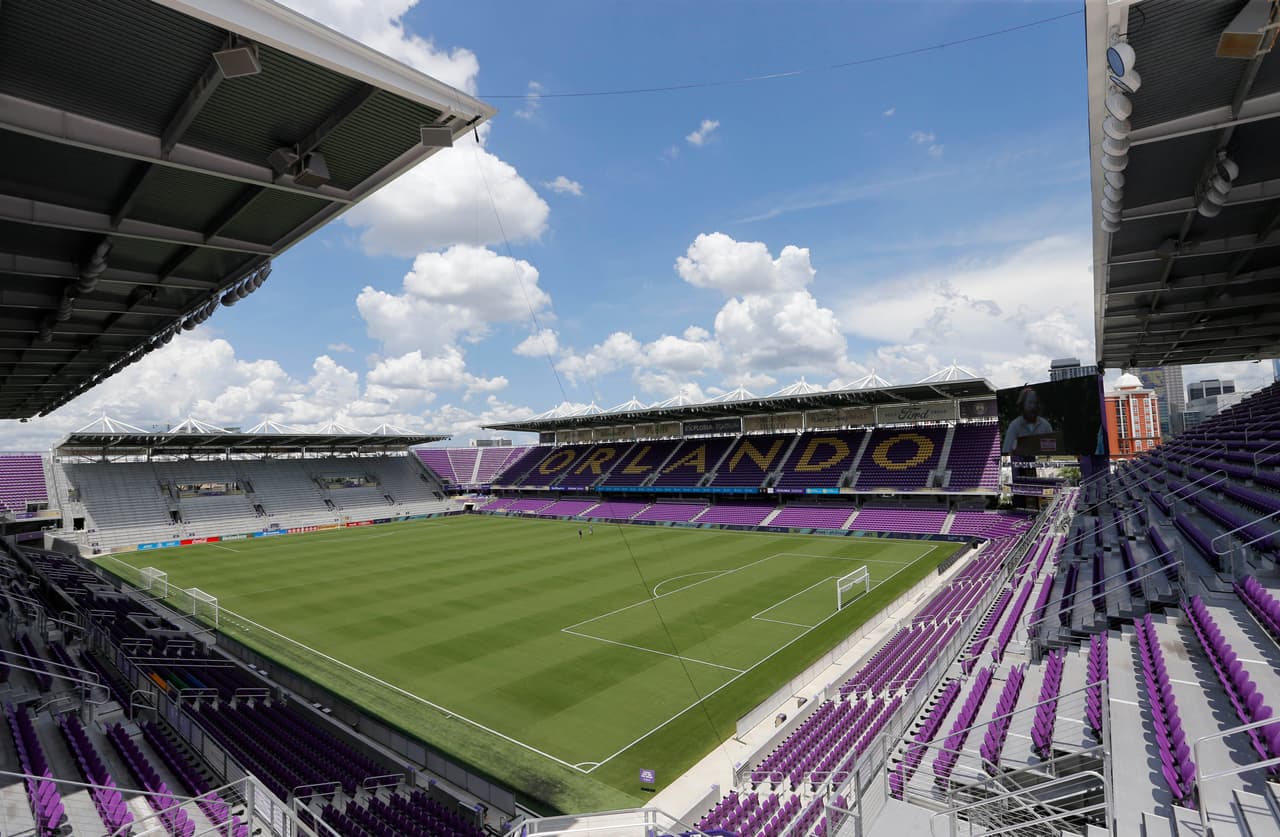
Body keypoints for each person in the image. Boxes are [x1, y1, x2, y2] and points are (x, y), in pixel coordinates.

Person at [1002, 386, 1054, 454]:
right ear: (1022, 404)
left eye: (1035, 403)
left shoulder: (1046, 426)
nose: (1033, 406)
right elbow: (1006, 452)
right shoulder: (1014, 426)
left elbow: (1053, 451)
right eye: (1030, 402)